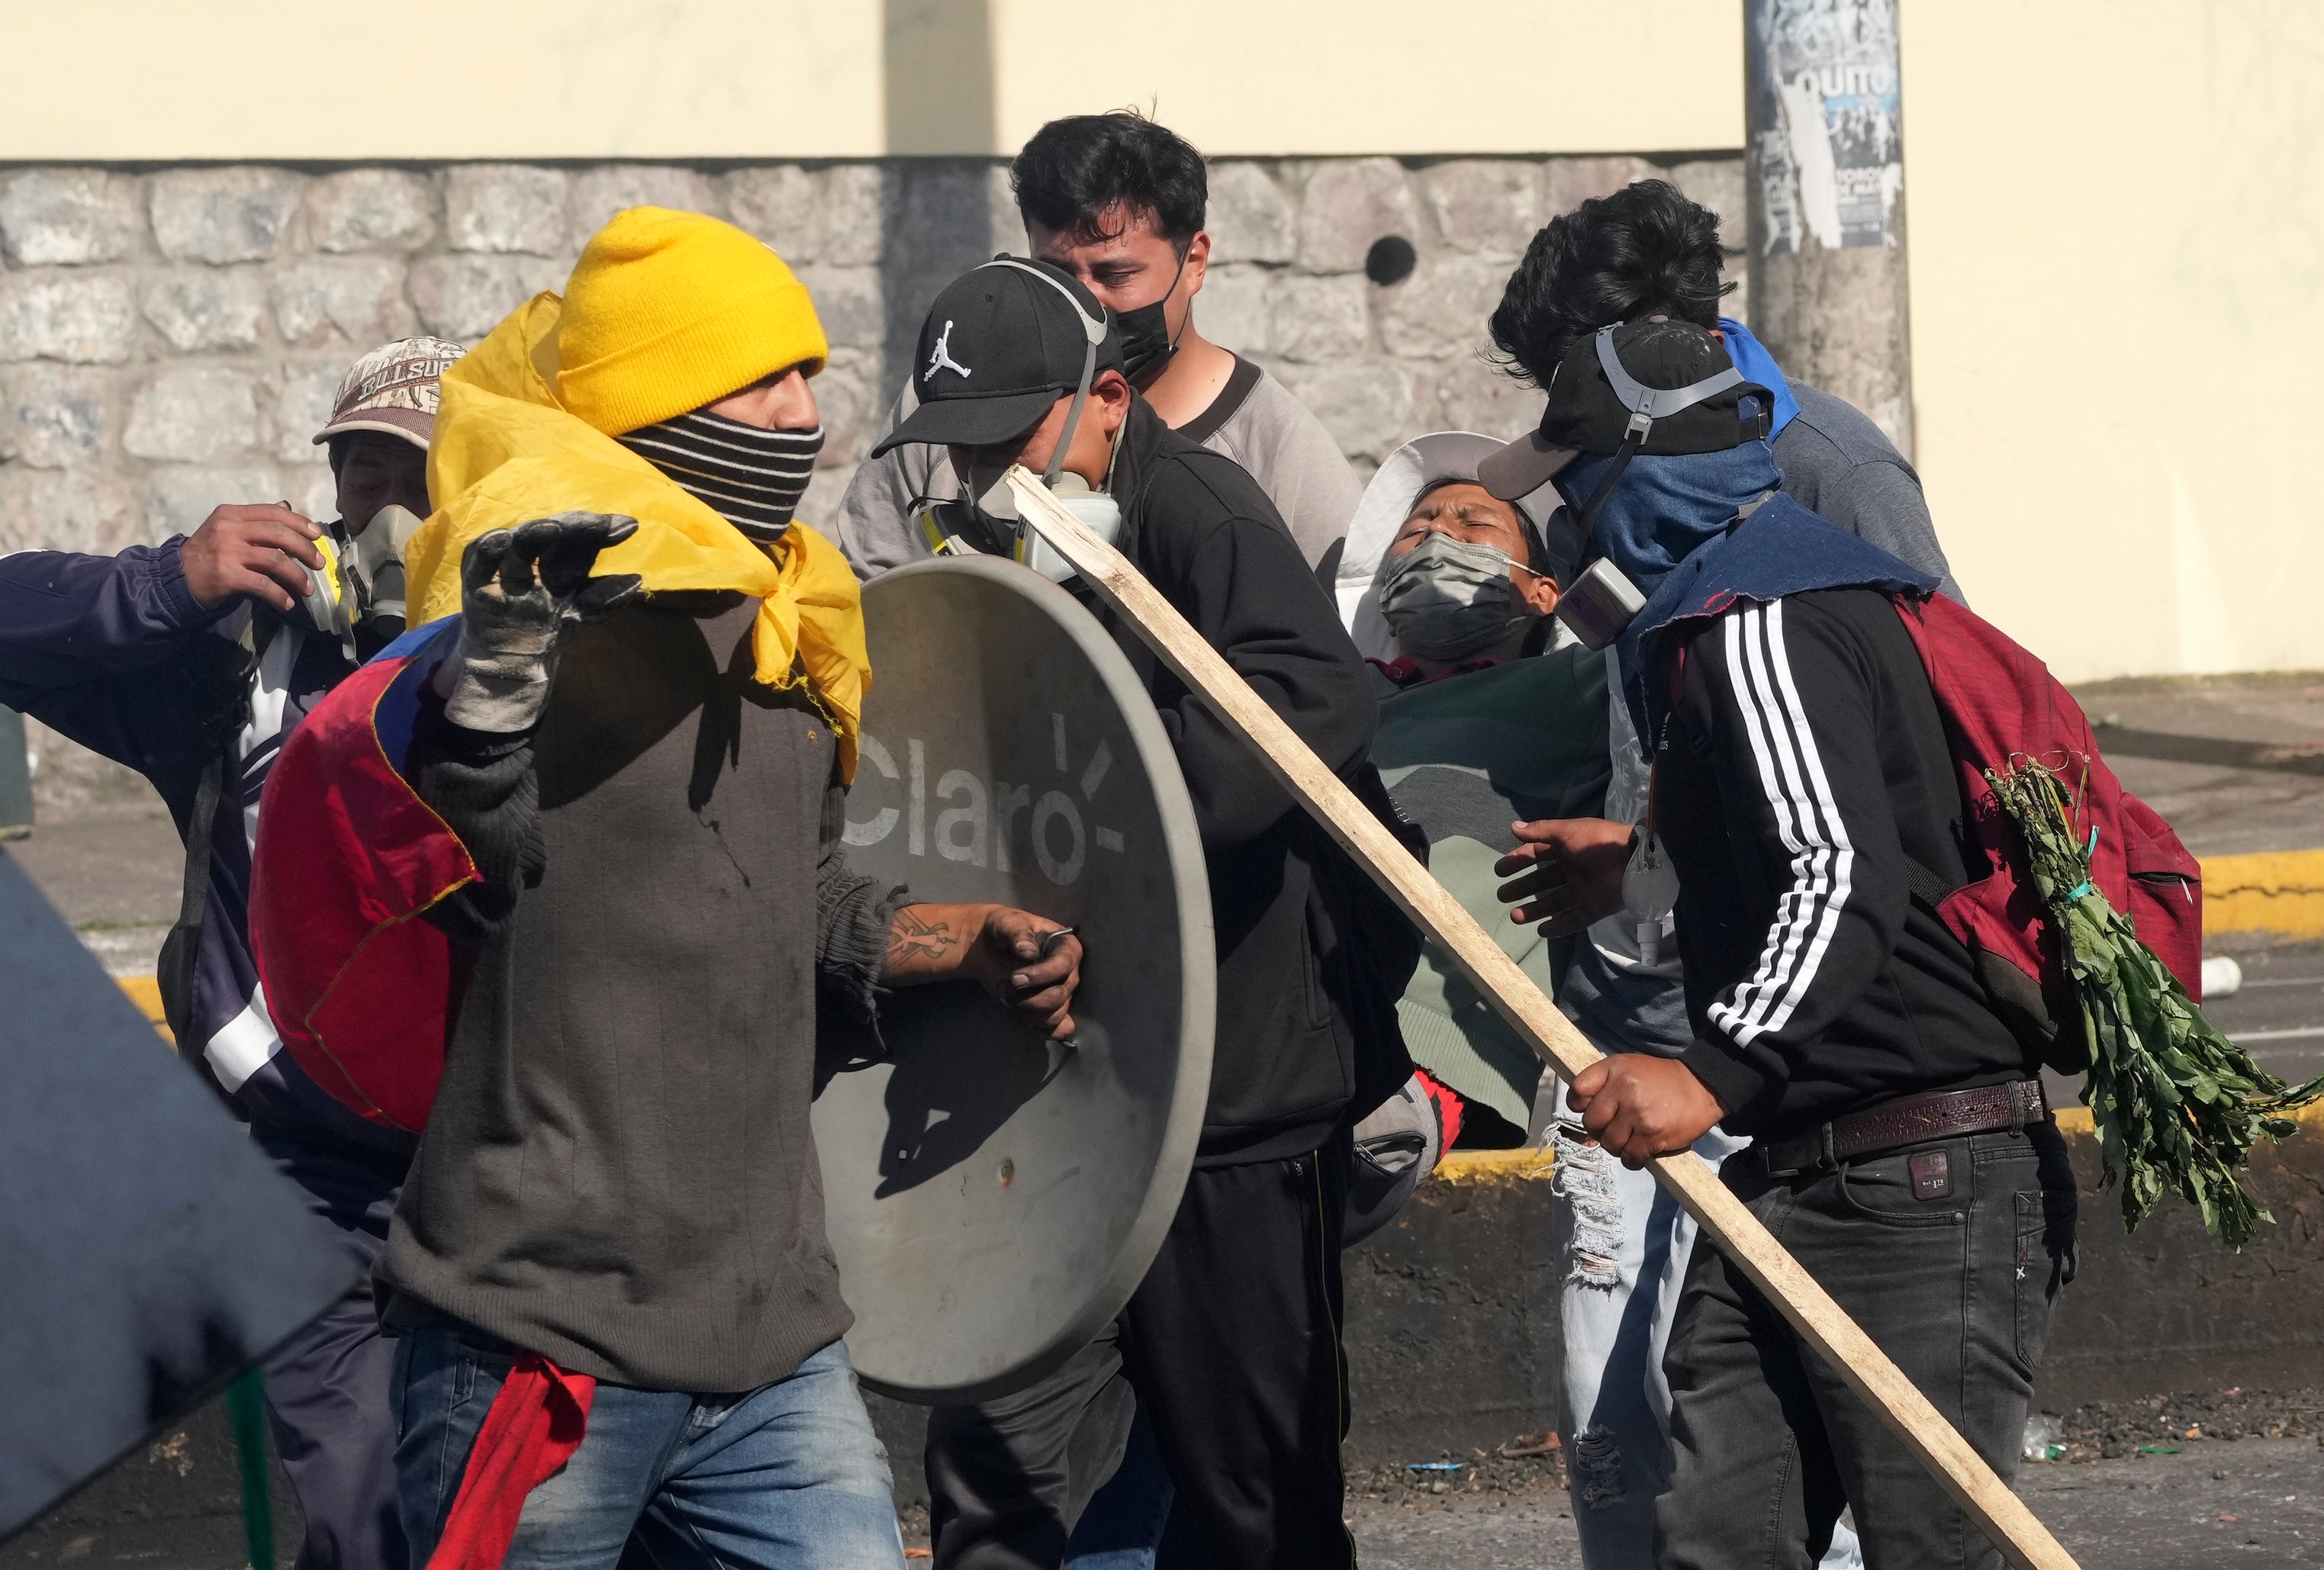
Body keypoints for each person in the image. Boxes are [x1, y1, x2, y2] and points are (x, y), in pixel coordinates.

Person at [254, 210, 1086, 1570]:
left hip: (773, 1342)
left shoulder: (791, 632)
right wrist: (487, 701)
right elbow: (468, 851)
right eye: (766, 380)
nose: (808, 416)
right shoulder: (522, 623)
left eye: (812, 376)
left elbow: (798, 894)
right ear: (663, 399)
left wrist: (960, 940)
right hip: (539, 1341)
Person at [1485, 317, 2073, 1570]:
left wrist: (1711, 1073)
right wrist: (1643, 867)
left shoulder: (1758, 618)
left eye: (1578, 485)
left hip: (1913, 1184)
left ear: (1641, 474)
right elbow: (1835, 834)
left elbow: (1839, 871)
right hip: (1803, 1164)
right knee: (1718, 1532)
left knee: (1933, 1545)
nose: (1569, 527)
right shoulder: (1749, 603)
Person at [876, 256, 1387, 1570]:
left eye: (1007, 442)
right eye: (960, 450)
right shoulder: (1007, 541)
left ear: (1105, 398)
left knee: (1249, 1489)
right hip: (1055, 1084)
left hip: (1231, 1092)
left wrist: (1121, 834)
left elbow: (1314, 704)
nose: (985, 476)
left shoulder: (1200, 512)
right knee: (993, 1467)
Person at [0, 335, 463, 1570]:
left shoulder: (549, 662)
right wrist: (170, 584)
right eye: (367, 476)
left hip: (501, 1170)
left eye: (427, 477)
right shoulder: (239, 663)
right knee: (378, 1515)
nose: (393, 511)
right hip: (300, 1169)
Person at [837, 109, 1360, 578]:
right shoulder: (959, 396)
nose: (1081, 305)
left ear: (1194, 262)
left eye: (1115, 274)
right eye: (1056, 273)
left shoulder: (1280, 454)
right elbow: (872, 595)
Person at [1327, 434, 1608, 1158]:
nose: (1437, 538)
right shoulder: (1338, 708)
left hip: (1438, 1053)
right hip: (1303, 1018)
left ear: (1544, 592)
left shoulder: (1573, 690)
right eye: (1416, 530)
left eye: (1474, 525)